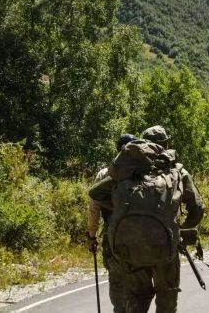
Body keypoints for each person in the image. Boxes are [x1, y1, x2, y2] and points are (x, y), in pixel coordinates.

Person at [90, 125, 204, 313]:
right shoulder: (177, 171)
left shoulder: (127, 172)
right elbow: (197, 208)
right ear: (166, 145)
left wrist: (120, 207)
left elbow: (95, 193)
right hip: (165, 249)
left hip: (131, 248)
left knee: (137, 298)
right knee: (167, 299)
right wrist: (181, 227)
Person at [87, 133, 137, 313]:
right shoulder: (143, 172)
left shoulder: (104, 174)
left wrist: (91, 236)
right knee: (139, 281)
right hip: (139, 236)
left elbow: (94, 209)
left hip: (113, 234)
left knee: (116, 279)